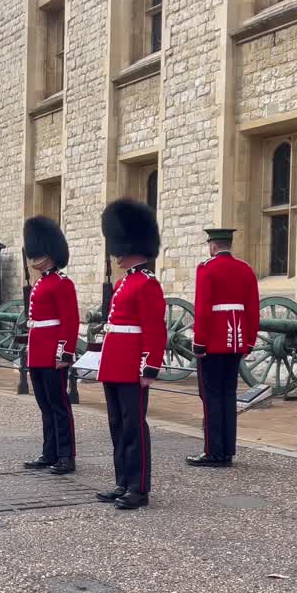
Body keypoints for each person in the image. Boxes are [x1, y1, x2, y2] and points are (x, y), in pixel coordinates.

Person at [95, 200, 167, 510]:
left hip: (132, 366)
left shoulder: (147, 284)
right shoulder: (125, 282)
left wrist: (149, 367)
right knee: (117, 424)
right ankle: (122, 481)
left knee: (134, 426)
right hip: (114, 363)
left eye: (120, 246)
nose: (116, 252)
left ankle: (138, 488)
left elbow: (154, 329)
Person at [189, 228, 260, 468]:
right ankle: (227, 450)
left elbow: (202, 310)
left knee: (211, 398)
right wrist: (249, 340)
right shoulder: (245, 269)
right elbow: (252, 309)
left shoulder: (206, 269)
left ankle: (213, 452)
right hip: (236, 342)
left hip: (213, 343)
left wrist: (199, 343)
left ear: (212, 246)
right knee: (228, 397)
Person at [21, 216, 80, 475]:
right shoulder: (42, 282)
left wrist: (64, 352)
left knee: (59, 405)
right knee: (45, 405)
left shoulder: (62, 283)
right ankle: (50, 452)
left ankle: (66, 455)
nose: (35, 258)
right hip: (37, 352)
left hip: (52, 353)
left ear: (51, 254)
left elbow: (70, 321)